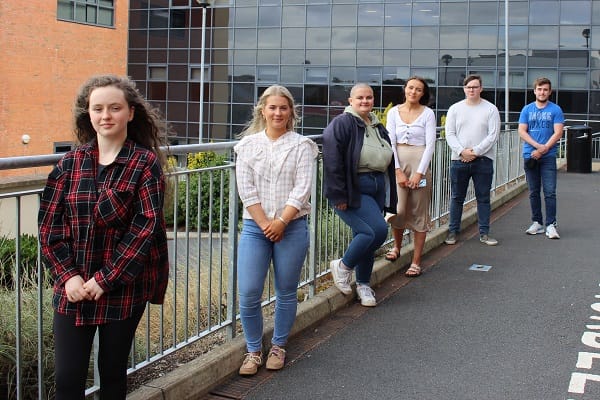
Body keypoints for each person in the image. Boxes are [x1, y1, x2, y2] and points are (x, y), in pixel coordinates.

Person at [38, 75, 170, 399]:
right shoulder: (69, 165)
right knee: (68, 380)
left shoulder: (144, 164)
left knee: (112, 373)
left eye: (114, 107)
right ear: (89, 114)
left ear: (131, 113)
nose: (106, 115)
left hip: (123, 287)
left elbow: (144, 229)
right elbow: (49, 228)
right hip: (74, 288)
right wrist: (68, 277)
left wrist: (104, 280)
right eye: (98, 108)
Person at [234, 85, 319, 376]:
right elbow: (246, 190)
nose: (277, 113)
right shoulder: (246, 146)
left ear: (291, 112)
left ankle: (279, 345)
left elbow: (302, 187)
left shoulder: (302, 145)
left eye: (283, 108)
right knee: (248, 293)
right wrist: (265, 224)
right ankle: (253, 350)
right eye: (272, 107)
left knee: (285, 291)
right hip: (255, 228)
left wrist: (281, 221)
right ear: (262, 110)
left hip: (292, 226)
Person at [322, 83, 396, 307]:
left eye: (369, 97)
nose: (365, 101)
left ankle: (363, 285)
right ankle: (343, 266)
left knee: (365, 236)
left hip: (376, 185)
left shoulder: (375, 124)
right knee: (376, 231)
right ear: (351, 101)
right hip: (354, 187)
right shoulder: (342, 123)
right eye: (360, 98)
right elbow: (332, 161)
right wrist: (339, 195)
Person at [385, 76, 436, 277]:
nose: (413, 92)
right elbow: (390, 141)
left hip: (419, 163)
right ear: (405, 89)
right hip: (399, 162)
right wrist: (397, 170)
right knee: (398, 209)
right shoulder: (393, 112)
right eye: (410, 88)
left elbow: (431, 144)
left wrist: (419, 172)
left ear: (423, 93)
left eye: (418, 89)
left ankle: (416, 261)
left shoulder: (428, 114)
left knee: (419, 210)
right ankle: (397, 247)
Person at [444, 74, 500, 246]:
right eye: (468, 87)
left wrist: (475, 152)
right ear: (464, 89)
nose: (471, 90)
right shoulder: (455, 109)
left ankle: (484, 233)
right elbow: (450, 134)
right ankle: (453, 232)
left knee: (483, 198)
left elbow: (493, 135)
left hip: (483, 161)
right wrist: (462, 151)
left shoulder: (491, 109)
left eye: (475, 87)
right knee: (456, 198)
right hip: (459, 160)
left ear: (481, 88)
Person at [518, 77, 565, 239]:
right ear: (534, 91)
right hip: (530, 155)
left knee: (550, 192)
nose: (542, 92)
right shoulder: (527, 109)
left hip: (548, 156)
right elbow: (522, 131)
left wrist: (544, 148)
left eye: (545, 89)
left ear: (549, 92)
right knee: (533, 191)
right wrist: (538, 147)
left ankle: (551, 224)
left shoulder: (555, 110)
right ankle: (537, 222)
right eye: (539, 89)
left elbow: (558, 132)